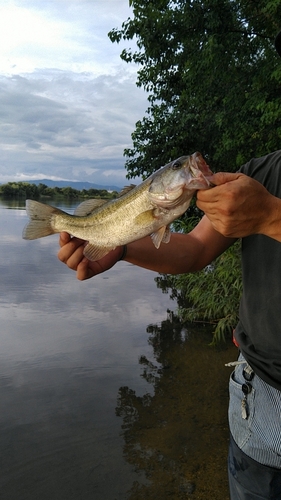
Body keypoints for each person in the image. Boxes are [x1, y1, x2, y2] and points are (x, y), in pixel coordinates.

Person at [58, 33, 281, 500]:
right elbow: (194, 252)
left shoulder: (262, 197)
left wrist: (270, 217)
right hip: (260, 403)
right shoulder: (261, 174)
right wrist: (119, 247)